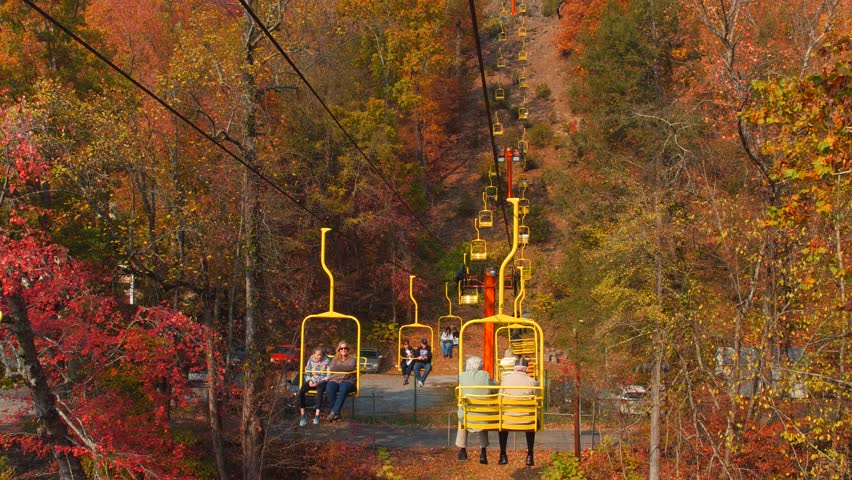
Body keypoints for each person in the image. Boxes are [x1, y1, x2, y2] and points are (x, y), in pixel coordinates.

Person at [498, 356, 538, 466]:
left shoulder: (505, 379)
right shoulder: (532, 382)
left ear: (514, 368)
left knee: (502, 424)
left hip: (507, 420)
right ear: (526, 369)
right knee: (532, 420)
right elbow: (536, 399)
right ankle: (530, 455)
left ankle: (503, 454)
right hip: (526, 421)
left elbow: (499, 398)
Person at [456, 355, 493, 464]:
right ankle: (483, 452)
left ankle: (462, 450)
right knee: (481, 416)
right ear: (480, 366)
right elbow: (493, 390)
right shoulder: (486, 376)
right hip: (482, 415)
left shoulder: (462, 376)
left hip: (467, 414)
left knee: (463, 415)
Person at [325, 341, 357, 422]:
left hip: (347, 380)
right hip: (335, 379)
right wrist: (343, 367)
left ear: (348, 349)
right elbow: (332, 368)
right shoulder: (335, 359)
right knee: (329, 387)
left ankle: (333, 412)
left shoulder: (352, 358)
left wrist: (338, 367)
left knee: (343, 388)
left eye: (345, 348)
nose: (343, 350)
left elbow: (351, 367)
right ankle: (337, 413)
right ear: (339, 350)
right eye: (341, 348)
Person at [298, 347, 331, 426]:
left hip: (321, 381)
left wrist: (320, 381)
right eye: (317, 355)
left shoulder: (327, 362)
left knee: (320, 391)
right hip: (312, 380)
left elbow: (328, 375)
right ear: (313, 355)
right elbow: (307, 373)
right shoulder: (310, 361)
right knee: (301, 391)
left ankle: (317, 415)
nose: (319, 357)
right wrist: (309, 381)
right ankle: (303, 415)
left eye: (321, 355)